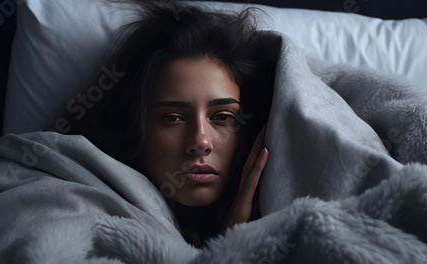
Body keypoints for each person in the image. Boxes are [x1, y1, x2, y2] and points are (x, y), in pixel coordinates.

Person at [63, 0, 276, 247]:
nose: (200, 142)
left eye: (222, 117)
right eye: (173, 118)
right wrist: (231, 247)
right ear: (136, 128)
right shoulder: (79, 205)